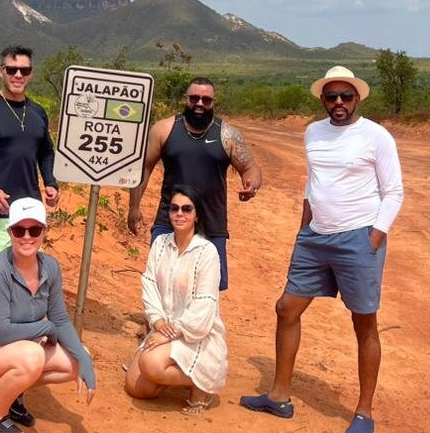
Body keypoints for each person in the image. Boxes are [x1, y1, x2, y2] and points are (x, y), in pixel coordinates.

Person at [239, 66, 405, 433]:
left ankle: (363, 413)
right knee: (286, 308)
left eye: (346, 96)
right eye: (332, 97)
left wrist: (373, 238)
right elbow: (312, 183)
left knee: (364, 322)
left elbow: (393, 192)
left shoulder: (377, 136)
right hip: (315, 237)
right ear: (322, 100)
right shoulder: (313, 132)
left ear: (357, 98)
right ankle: (278, 397)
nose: (339, 102)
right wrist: (303, 230)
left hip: (358, 239)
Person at [0, 197, 96, 433]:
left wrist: (84, 359)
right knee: (32, 355)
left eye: (34, 229)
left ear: (44, 231)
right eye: (20, 230)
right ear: (10, 232)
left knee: (77, 359)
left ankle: (12, 393)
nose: (27, 237)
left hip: (12, 350)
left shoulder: (50, 266)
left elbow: (59, 318)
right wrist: (46, 329)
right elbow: (1, 332)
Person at [0, 45, 60, 425]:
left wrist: (52, 182)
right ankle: (1, 383)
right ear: (0, 71)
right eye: (11, 69)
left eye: (24, 70)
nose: (18, 75)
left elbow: (46, 151)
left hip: (31, 216)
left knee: (30, 301)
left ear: (31, 74)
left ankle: (15, 391)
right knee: (6, 300)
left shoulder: (38, 112)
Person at [127, 76, 263, 290]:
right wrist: (133, 207)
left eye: (206, 100)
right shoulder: (164, 129)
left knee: (205, 292)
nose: (199, 103)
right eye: (194, 98)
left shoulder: (227, 134)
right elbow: (143, 167)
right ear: (186, 99)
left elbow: (250, 167)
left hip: (211, 225)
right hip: (169, 221)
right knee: (160, 286)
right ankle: (158, 325)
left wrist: (252, 185)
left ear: (213, 102)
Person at [125, 184, 227, 415]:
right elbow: (149, 283)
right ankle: (175, 373)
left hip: (195, 333)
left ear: (197, 214)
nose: (179, 214)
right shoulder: (160, 244)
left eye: (187, 209)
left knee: (149, 364)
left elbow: (205, 305)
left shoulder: (207, 252)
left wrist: (171, 332)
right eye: (174, 208)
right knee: (136, 388)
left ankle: (200, 383)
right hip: (164, 328)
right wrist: (158, 322)